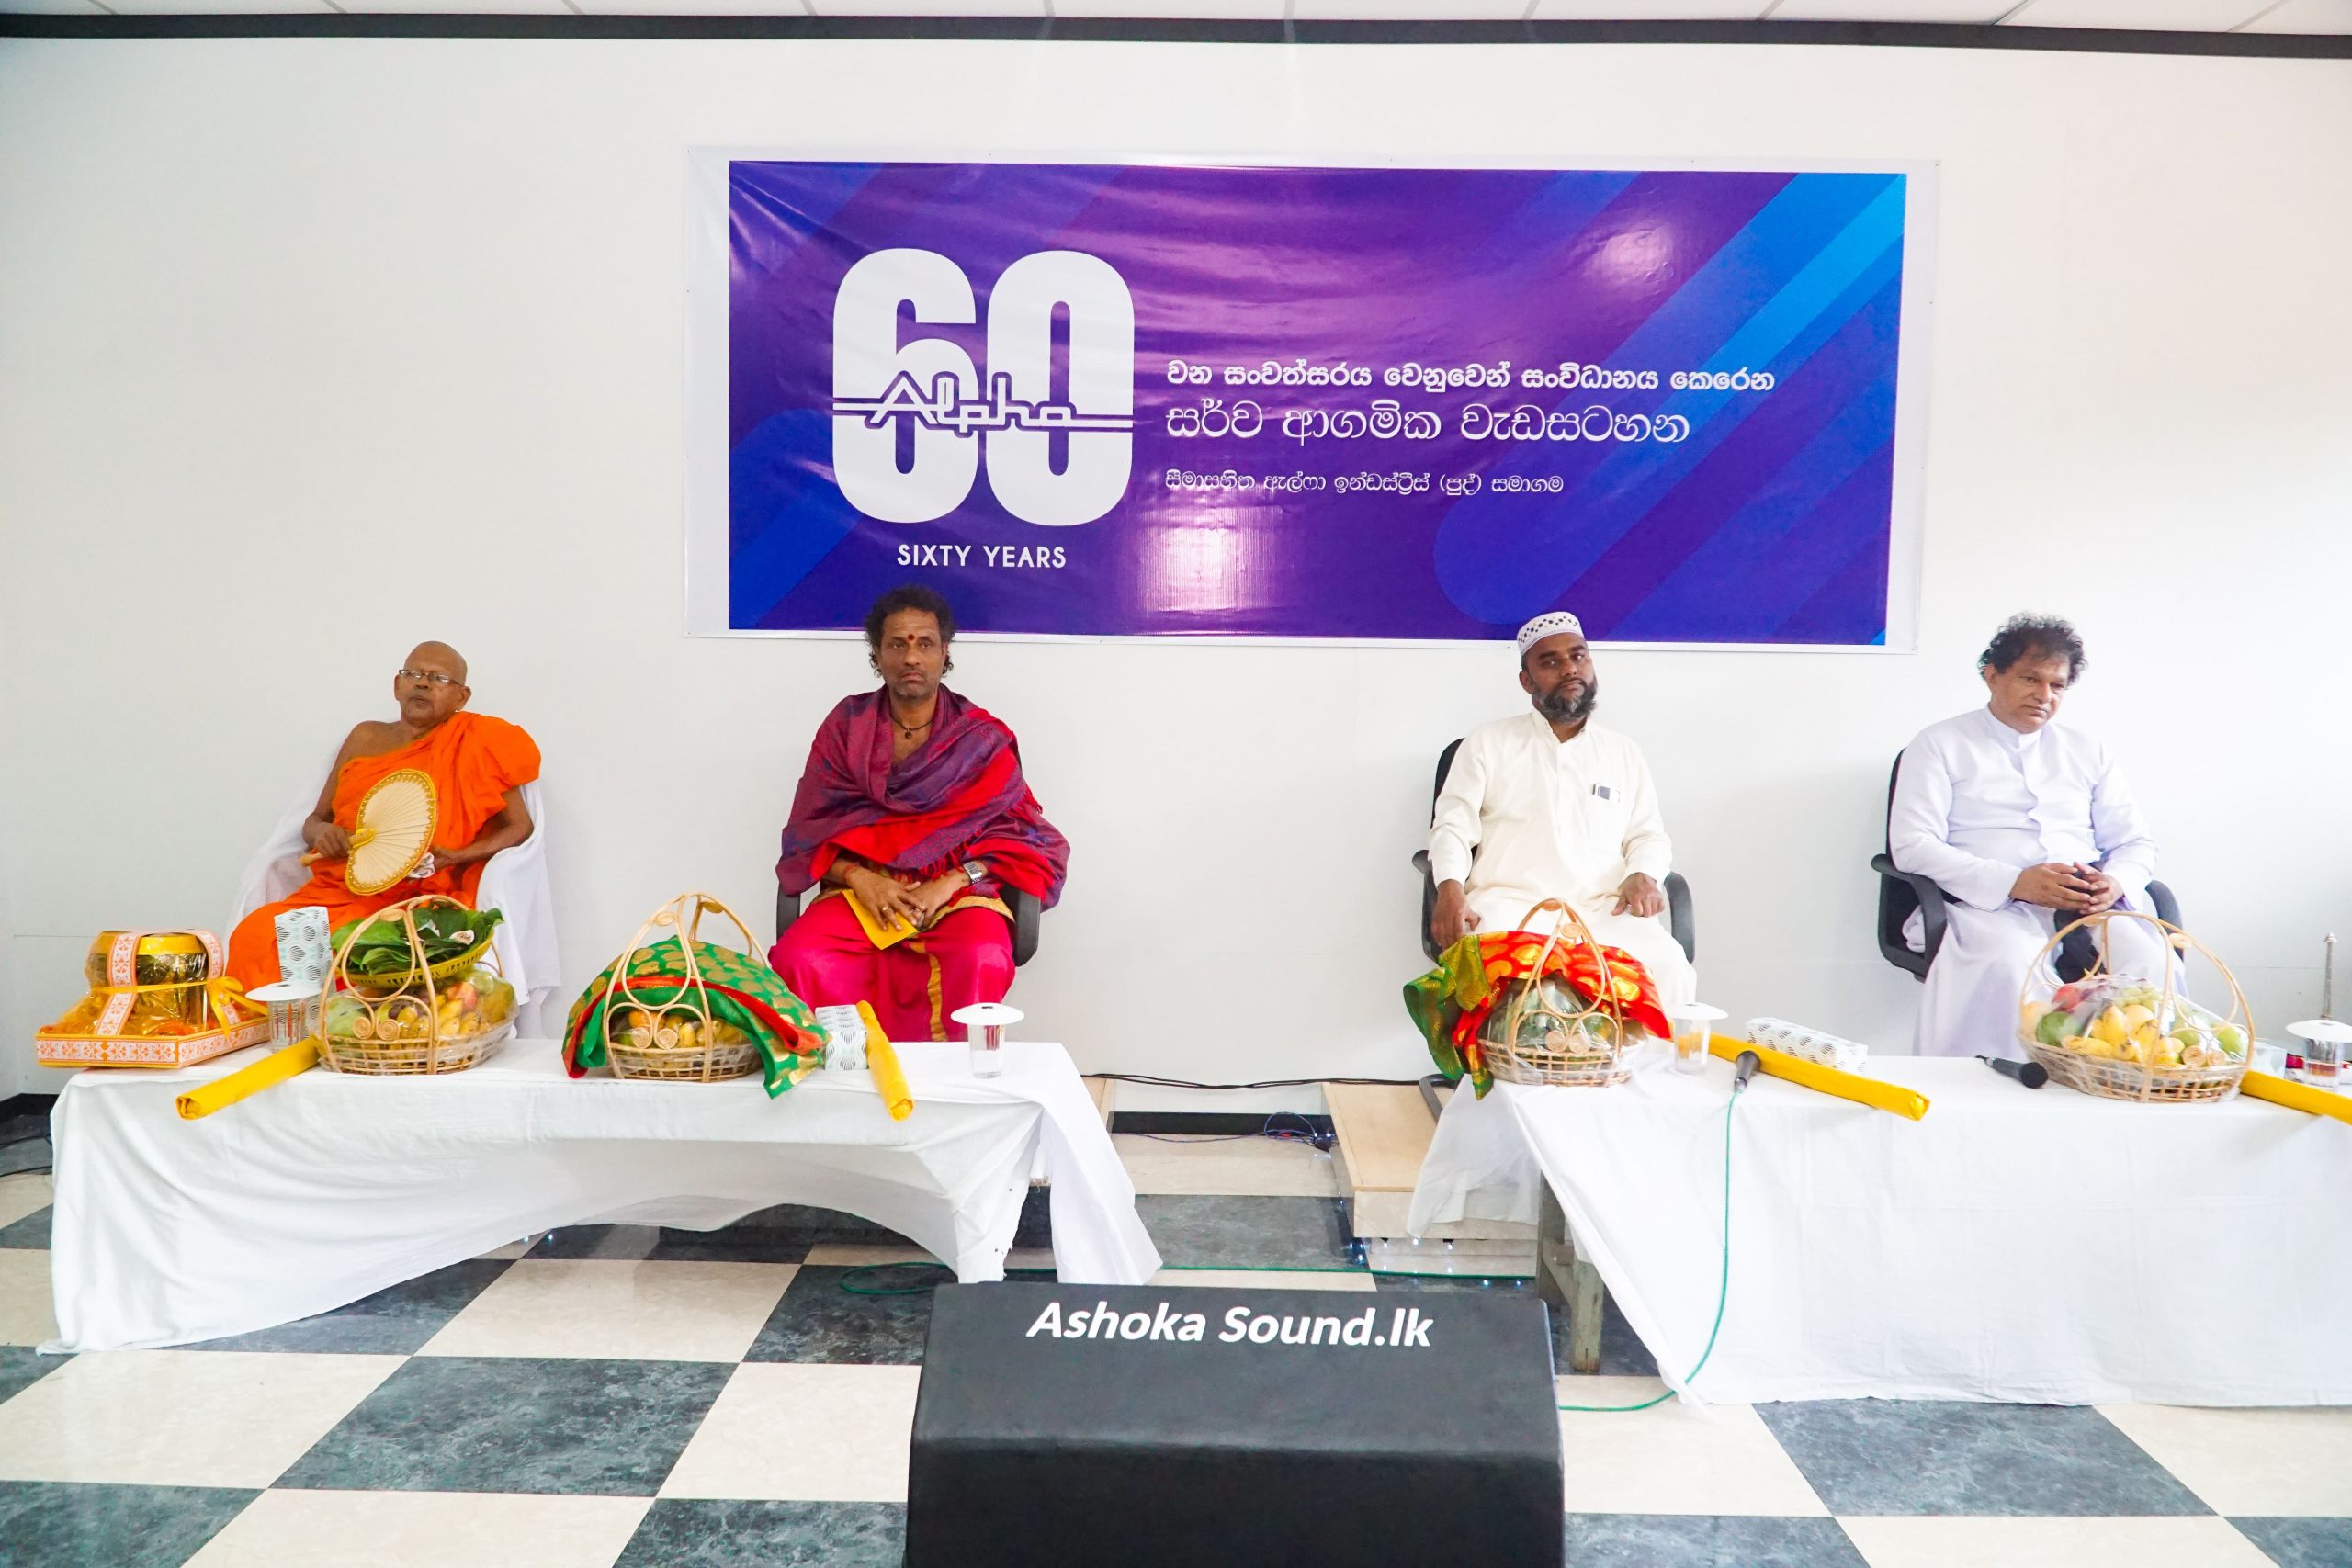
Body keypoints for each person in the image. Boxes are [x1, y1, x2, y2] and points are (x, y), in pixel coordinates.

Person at [770, 586, 1068, 1043]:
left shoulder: (980, 739)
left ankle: (959, 1081)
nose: (911, 657)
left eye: (924, 643)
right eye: (897, 644)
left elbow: (1025, 838)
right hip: (863, 891)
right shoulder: (846, 729)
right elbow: (806, 835)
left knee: (981, 955)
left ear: (944, 652)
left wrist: (950, 882)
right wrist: (861, 878)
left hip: (956, 892)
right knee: (801, 957)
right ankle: (841, 1075)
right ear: (877, 653)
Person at [1890, 614, 2165, 1057]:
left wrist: (2116, 883)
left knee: (2149, 960)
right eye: (2030, 679)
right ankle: (2002, 1082)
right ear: (1992, 675)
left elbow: (2135, 842)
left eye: (2057, 686)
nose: (2044, 696)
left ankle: (2124, 1081)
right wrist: (2015, 882)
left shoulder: (2087, 749)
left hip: (2087, 905)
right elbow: (1912, 846)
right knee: (2012, 961)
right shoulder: (1940, 743)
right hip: (1987, 905)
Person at [226, 642, 541, 989]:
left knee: (365, 950)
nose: (422, 683)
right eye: (413, 674)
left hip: (417, 899)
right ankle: (287, 1022)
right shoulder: (366, 737)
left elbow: (520, 826)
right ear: (396, 685)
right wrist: (323, 834)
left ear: (462, 697)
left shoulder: (476, 742)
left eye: (437, 678)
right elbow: (315, 820)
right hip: (340, 890)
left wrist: (456, 856)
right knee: (255, 936)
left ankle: (341, 1019)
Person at [1425, 611, 1695, 1010]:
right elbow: (1452, 826)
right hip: (1510, 907)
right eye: (1550, 662)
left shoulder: (1623, 752)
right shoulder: (1488, 743)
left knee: (1669, 967)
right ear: (1526, 680)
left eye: (1578, 656)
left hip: (1603, 911)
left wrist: (1644, 874)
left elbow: (1648, 835)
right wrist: (1449, 888)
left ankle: (1646, 1056)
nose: (1569, 669)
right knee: (1495, 976)